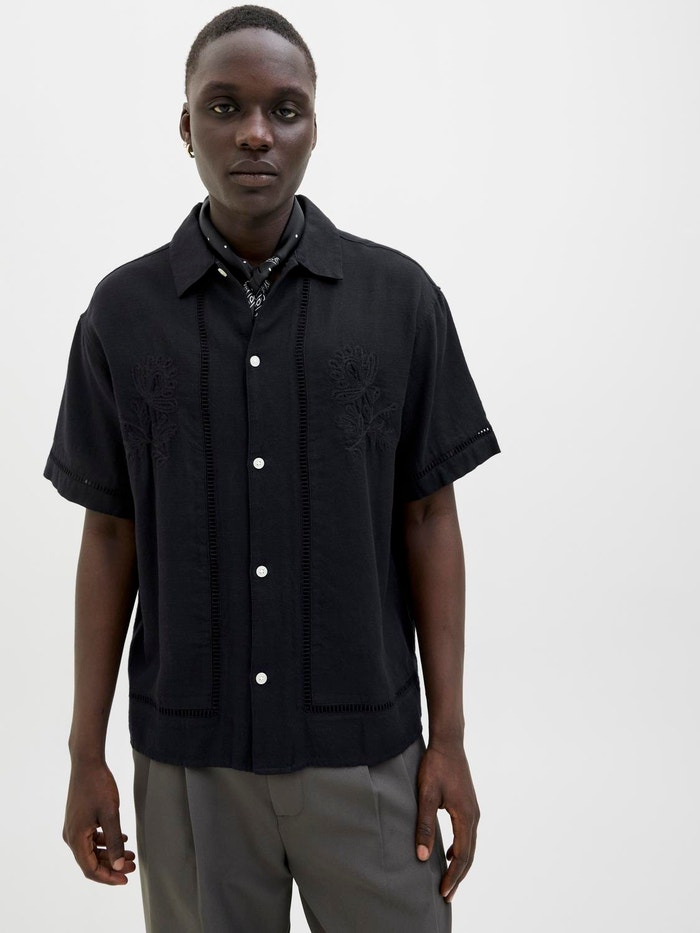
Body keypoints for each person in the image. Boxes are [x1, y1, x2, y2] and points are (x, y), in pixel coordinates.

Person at [44, 6, 500, 931]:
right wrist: (85, 754)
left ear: (313, 127)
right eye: (225, 107)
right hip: (190, 759)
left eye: (284, 109)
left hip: (367, 756)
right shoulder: (121, 314)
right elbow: (109, 534)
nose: (256, 132)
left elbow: (429, 517)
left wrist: (448, 737)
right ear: (186, 127)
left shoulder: (400, 300)